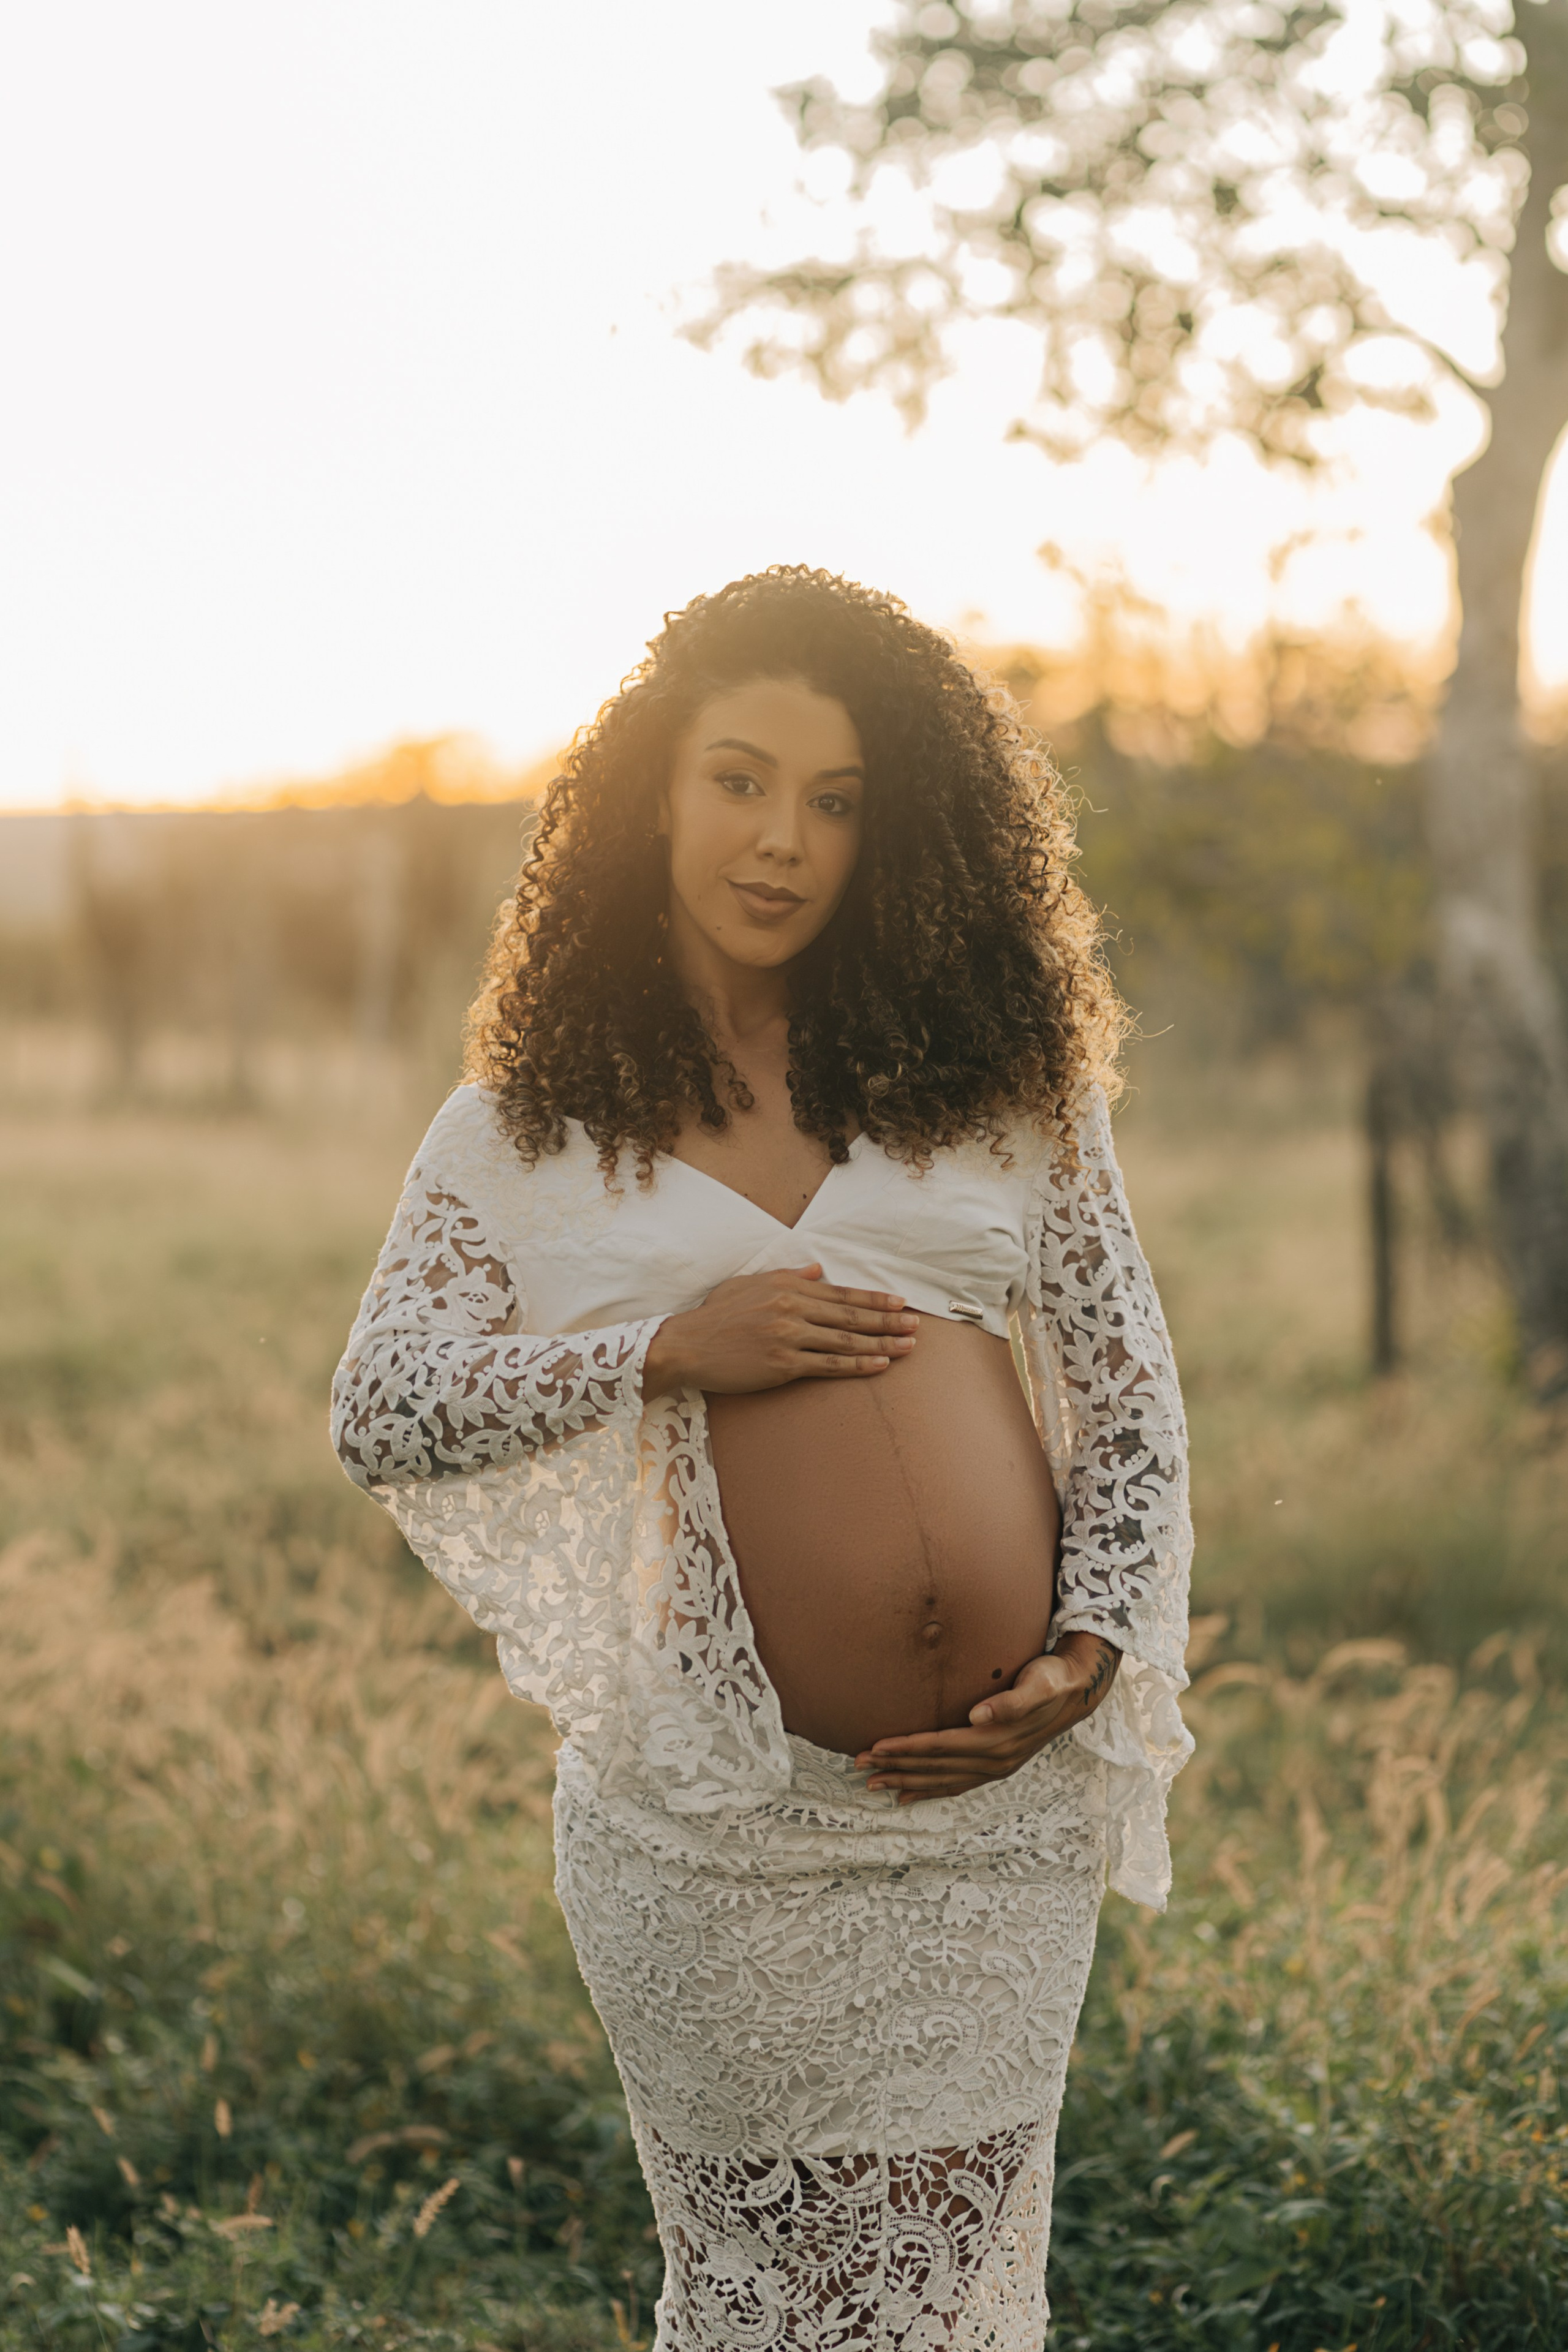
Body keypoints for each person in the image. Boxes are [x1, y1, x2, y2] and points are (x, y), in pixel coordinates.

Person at [331, 567, 1191, 2350]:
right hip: (713, 1834)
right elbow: (387, 1400)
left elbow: (1125, 1395)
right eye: (738, 780)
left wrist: (1091, 1655)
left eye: (837, 800)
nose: (782, 840)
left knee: (954, 2285)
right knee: (765, 2293)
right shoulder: (526, 1132)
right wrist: (657, 1350)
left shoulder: (1002, 1086)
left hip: (988, 1824)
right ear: (650, 789)